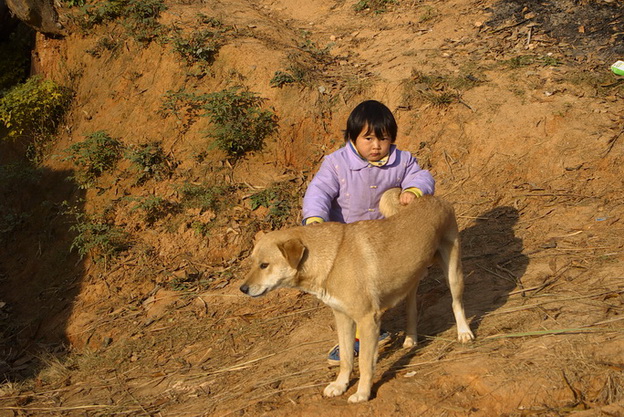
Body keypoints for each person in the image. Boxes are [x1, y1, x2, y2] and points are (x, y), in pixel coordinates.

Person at [301, 100, 435, 365]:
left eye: (383, 139)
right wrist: (315, 219)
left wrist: (413, 190)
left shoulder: (402, 160)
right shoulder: (336, 164)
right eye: (368, 138)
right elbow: (319, 191)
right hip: (345, 240)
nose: (376, 146)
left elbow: (422, 176)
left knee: (368, 290)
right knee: (349, 292)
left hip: (383, 238)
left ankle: (362, 338)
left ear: (392, 139)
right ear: (352, 138)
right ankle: (363, 334)